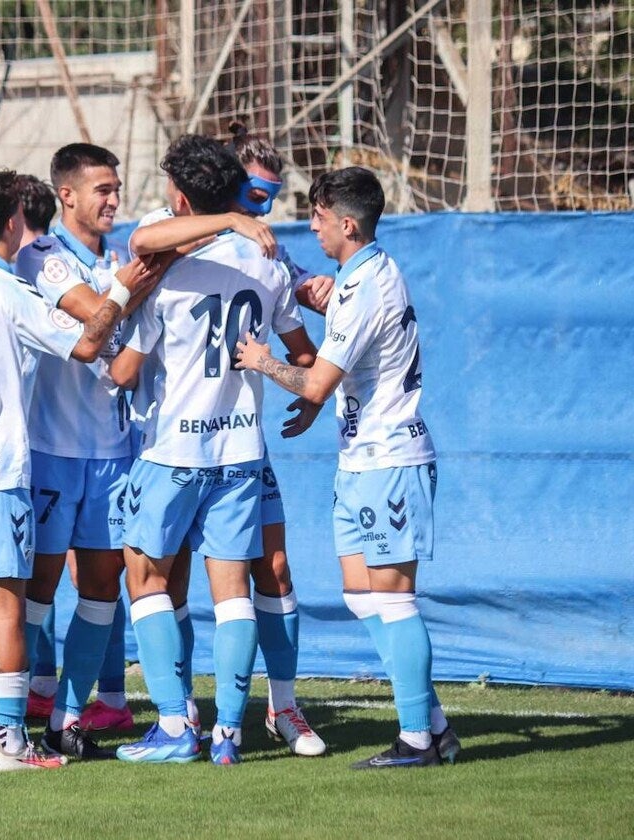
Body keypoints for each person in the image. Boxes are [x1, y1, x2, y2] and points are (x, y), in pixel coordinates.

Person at [0, 169, 159, 772]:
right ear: (16, 223)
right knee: (7, 611)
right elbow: (87, 343)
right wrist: (124, 289)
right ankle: (12, 745)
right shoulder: (11, 293)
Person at [235, 165, 459, 768]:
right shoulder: (360, 274)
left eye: (320, 217)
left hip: (389, 459)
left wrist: (260, 361)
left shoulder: (367, 288)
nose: (313, 225)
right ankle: (434, 723)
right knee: (362, 596)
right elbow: (320, 295)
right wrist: (282, 264)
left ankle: (415, 738)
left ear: (348, 224)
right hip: (360, 460)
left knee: (392, 598)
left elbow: (314, 380)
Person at [109, 136, 319, 766]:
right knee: (231, 591)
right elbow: (304, 354)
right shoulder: (267, 263)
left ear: (178, 195)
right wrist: (300, 391)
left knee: (146, 579)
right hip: (239, 453)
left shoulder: (167, 262)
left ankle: (176, 726)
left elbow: (124, 372)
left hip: (173, 449)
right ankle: (229, 733)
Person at [11, 144, 165, 758]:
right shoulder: (42, 257)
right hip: (52, 450)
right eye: (100, 188)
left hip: (114, 453)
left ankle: (68, 717)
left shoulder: (122, 259)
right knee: (38, 590)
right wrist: (130, 290)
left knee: (103, 587)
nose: (113, 198)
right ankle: (16, 713)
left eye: (116, 187)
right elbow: (85, 318)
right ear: (66, 195)